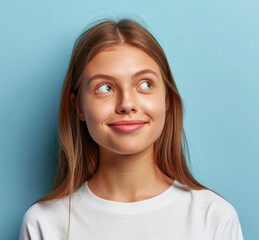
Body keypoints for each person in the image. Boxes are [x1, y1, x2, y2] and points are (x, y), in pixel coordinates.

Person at [19, 18, 243, 240]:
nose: (127, 104)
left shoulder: (214, 217)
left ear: (167, 100)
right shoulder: (43, 224)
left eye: (145, 84)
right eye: (104, 88)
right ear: (78, 106)